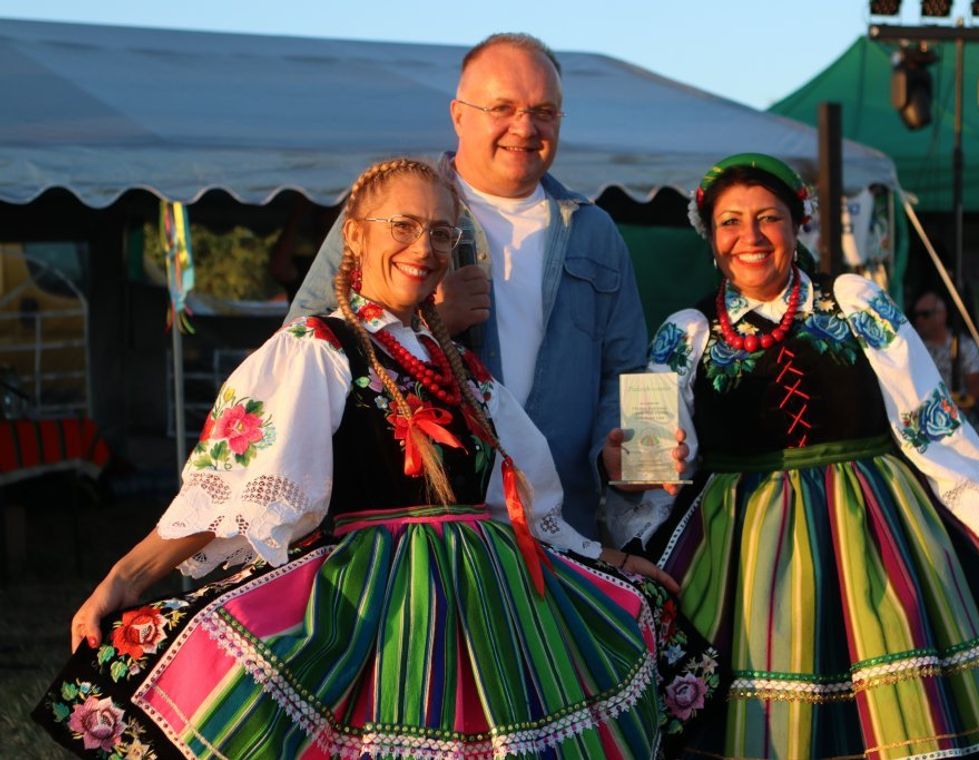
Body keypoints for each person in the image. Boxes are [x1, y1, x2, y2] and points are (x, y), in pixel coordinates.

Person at [33, 159, 714, 759]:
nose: (426, 247)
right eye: (404, 226)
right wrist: (128, 576)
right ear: (354, 235)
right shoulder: (318, 350)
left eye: (442, 233)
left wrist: (609, 562)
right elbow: (243, 489)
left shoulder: (460, 368)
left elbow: (526, 505)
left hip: (491, 611)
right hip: (375, 613)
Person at [610, 153, 979, 758]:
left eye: (767, 218)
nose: (749, 237)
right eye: (730, 221)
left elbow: (926, 416)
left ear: (797, 224)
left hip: (872, 527)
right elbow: (653, 468)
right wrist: (637, 485)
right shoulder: (684, 331)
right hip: (743, 547)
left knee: (889, 691)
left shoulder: (854, 300)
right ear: (710, 235)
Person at [287, 33, 646, 540]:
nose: (525, 127)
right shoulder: (389, 209)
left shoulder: (595, 230)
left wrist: (620, 455)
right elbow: (305, 341)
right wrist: (424, 325)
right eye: (503, 107)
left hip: (564, 526)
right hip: (423, 535)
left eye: (544, 111)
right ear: (459, 114)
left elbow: (626, 369)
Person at [912, 290, 979, 405]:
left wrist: (964, 407)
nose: (919, 320)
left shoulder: (964, 345)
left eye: (925, 314)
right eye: (916, 315)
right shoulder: (913, 348)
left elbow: (975, 383)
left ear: (942, 315)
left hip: (958, 412)